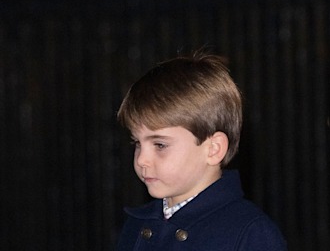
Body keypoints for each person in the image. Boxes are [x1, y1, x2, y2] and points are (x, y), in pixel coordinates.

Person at [115, 52, 287, 250]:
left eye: (160, 145)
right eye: (137, 143)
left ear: (213, 149)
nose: (142, 160)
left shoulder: (249, 233)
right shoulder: (137, 224)